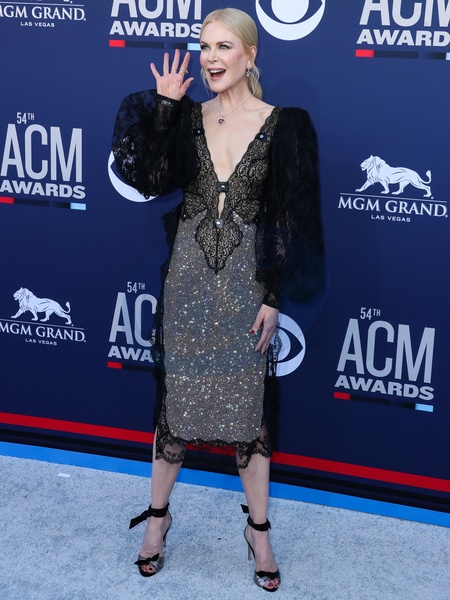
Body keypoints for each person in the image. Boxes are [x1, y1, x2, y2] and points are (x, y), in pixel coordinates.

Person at [113, 7, 323, 593]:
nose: (210, 57)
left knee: (250, 414)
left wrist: (274, 294)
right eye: (205, 46)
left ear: (251, 54)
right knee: (174, 407)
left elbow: (291, 216)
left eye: (224, 46)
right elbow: (148, 179)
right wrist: (164, 107)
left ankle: (259, 530)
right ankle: (158, 519)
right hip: (187, 279)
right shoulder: (185, 117)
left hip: (246, 285)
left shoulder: (285, 125)